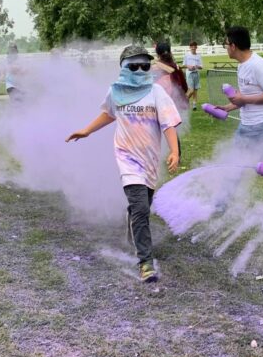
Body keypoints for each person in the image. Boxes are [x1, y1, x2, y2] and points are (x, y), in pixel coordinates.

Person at [66, 45, 181, 283]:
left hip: (149, 159)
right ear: (124, 68)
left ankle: (133, 225)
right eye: (134, 66)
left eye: (145, 66)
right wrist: (87, 131)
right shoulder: (115, 92)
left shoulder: (156, 92)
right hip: (127, 158)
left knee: (142, 206)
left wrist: (174, 151)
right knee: (140, 208)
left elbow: (167, 124)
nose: (140, 70)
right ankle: (146, 263)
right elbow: (110, 113)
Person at [215, 26, 263, 219]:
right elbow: (246, 96)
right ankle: (222, 204)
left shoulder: (258, 65)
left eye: (226, 44)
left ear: (233, 45)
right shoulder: (242, 65)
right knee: (234, 164)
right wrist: (230, 107)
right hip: (246, 125)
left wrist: (244, 100)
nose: (225, 48)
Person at [183, 42, 203, 110]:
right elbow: (184, 65)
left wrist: (197, 66)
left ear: (196, 47)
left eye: (195, 46)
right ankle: (183, 101)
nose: (193, 48)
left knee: (195, 91)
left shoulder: (199, 56)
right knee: (191, 90)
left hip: (196, 73)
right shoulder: (187, 55)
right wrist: (189, 66)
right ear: (190, 47)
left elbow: (201, 66)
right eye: (192, 46)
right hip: (189, 73)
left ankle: (194, 105)